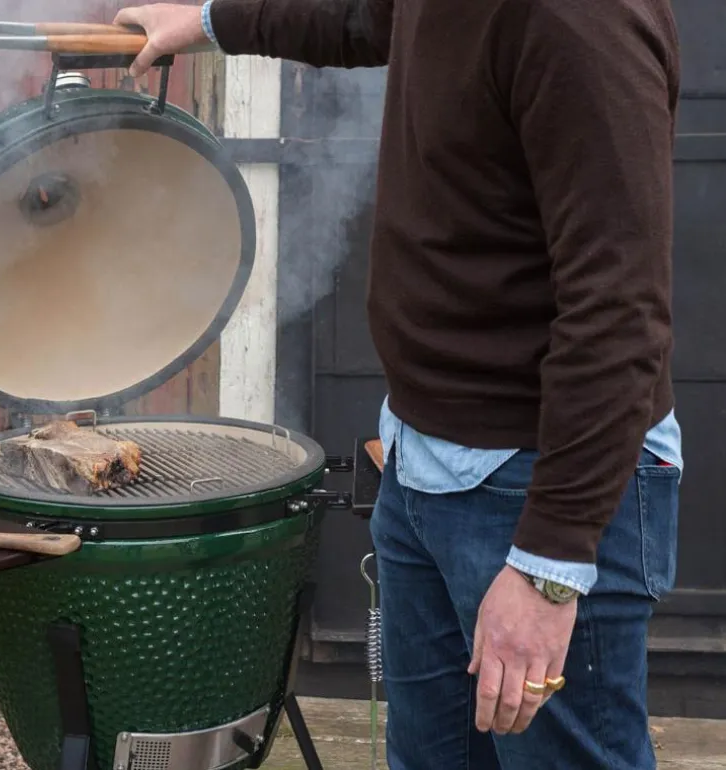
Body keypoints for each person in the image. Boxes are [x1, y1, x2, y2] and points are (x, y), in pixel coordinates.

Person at [115, 2, 682, 768]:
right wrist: (212, 21)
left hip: (536, 488)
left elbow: (620, 312)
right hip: (422, 464)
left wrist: (548, 568)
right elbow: (362, 14)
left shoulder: (581, 22)